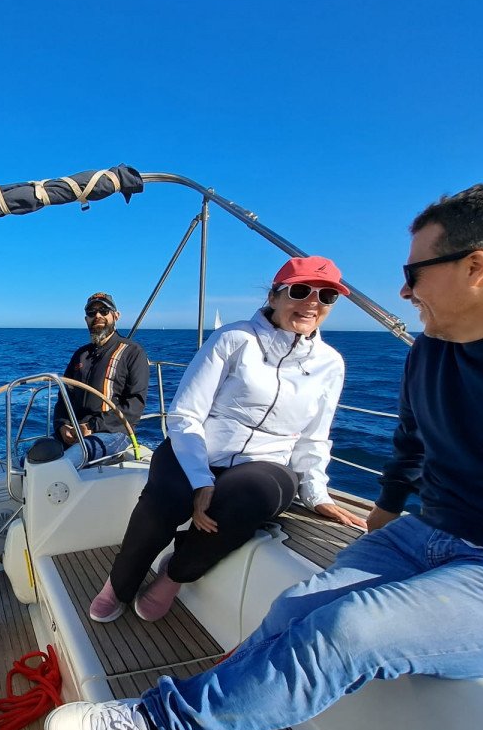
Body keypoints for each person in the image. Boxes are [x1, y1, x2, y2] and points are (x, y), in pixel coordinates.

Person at [43, 178, 483, 730]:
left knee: (348, 628)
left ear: (475, 267)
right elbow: (409, 444)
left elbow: (317, 439)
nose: (403, 292)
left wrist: (318, 493)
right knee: (293, 608)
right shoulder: (431, 353)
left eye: (413, 272)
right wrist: (384, 514)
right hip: (429, 533)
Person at [88, 256, 366, 624]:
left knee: (253, 497)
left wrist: (316, 495)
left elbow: (315, 437)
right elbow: (186, 414)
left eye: (327, 296)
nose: (312, 302)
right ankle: (120, 583)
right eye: (300, 291)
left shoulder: (330, 364)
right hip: (202, 446)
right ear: (275, 296)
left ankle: (176, 572)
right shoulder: (234, 339)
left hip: (264, 463)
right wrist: (201, 480)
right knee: (165, 499)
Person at [53, 292, 150, 468]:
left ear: (116, 316)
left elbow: (135, 405)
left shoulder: (133, 352)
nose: (97, 316)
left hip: (113, 433)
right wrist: (62, 425)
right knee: (33, 457)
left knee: (66, 463)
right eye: (91, 312)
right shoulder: (80, 355)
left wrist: (91, 426)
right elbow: (64, 398)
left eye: (104, 310)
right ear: (86, 320)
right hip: (76, 430)